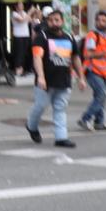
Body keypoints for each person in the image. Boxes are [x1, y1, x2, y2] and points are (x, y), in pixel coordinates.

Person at [25, 9, 81, 148]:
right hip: (46, 82)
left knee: (60, 108)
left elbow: (75, 58)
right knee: (40, 106)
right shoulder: (42, 36)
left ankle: (61, 138)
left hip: (64, 81)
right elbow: (37, 57)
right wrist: (41, 77)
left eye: (56, 20)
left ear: (62, 21)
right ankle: (31, 126)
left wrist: (81, 78)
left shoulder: (69, 37)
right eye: (50, 20)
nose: (53, 23)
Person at [78, 10, 106, 132]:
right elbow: (88, 54)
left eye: (103, 20)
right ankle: (85, 119)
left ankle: (99, 122)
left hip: (104, 72)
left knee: (100, 96)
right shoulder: (92, 35)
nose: (99, 22)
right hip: (92, 70)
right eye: (98, 20)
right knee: (101, 95)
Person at [10, 3, 31, 76]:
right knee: (19, 53)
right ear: (16, 7)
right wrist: (30, 12)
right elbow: (22, 20)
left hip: (26, 35)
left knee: (24, 53)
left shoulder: (24, 13)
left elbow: (29, 20)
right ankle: (17, 70)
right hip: (18, 36)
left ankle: (22, 69)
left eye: (22, 5)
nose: (22, 6)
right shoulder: (14, 14)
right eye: (20, 5)